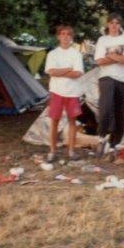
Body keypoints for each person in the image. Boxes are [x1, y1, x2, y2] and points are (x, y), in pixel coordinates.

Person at [94, 12, 124, 160]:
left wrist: (111, 56)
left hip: (123, 79)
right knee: (105, 108)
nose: (114, 25)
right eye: (111, 23)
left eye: (116, 23)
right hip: (106, 78)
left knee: (120, 112)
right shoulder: (102, 40)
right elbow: (99, 61)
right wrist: (119, 58)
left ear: (120, 25)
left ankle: (114, 144)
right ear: (107, 24)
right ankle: (101, 138)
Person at [44, 25, 84, 161]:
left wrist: (59, 71)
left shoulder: (76, 54)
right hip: (56, 91)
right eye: (63, 34)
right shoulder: (53, 54)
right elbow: (50, 71)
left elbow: (77, 73)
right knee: (54, 121)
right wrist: (68, 69)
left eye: (68, 34)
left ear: (71, 37)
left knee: (72, 121)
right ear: (58, 36)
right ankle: (52, 151)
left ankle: (71, 151)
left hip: (72, 92)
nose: (65, 36)